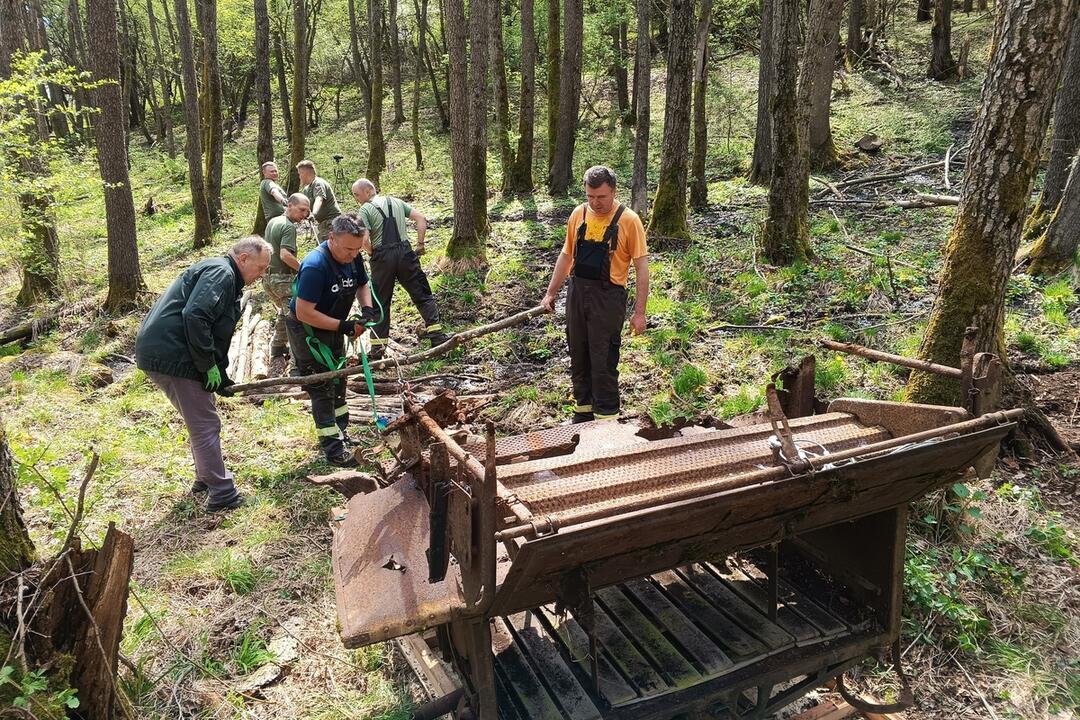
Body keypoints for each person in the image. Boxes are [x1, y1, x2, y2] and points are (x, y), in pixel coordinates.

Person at [135, 237, 273, 511]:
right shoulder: (221, 273)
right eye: (261, 267)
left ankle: (204, 478)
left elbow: (212, 328)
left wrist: (218, 372)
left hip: (166, 351)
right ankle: (222, 493)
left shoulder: (223, 274)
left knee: (200, 417)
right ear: (243, 258)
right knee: (205, 423)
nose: (262, 275)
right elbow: (196, 315)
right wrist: (207, 363)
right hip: (173, 352)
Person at [540, 166, 649, 423]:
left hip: (608, 298)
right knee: (578, 353)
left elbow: (642, 268)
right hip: (577, 294)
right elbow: (567, 255)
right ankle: (583, 410)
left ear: (613, 191)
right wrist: (551, 293)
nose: (595, 203)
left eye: (601, 197)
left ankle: (607, 416)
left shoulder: (629, 220)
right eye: (590, 196)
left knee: (603, 359)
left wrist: (640, 313)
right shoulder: (579, 214)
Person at [287, 213, 377, 467]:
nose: (352, 254)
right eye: (348, 249)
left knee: (338, 378)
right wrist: (343, 326)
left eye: (357, 249)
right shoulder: (315, 265)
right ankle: (332, 447)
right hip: (308, 330)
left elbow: (362, 283)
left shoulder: (354, 255)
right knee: (322, 383)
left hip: (334, 325)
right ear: (331, 239)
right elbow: (305, 311)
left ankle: (340, 430)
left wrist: (367, 308)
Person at [351, 178, 449, 358]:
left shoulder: (365, 209)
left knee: (380, 301)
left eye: (357, 194)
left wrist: (373, 253)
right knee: (421, 293)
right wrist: (420, 244)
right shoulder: (396, 202)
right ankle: (437, 336)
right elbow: (421, 218)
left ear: (367, 191)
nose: (356, 199)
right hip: (405, 253)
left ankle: (378, 349)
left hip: (382, 257)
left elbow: (364, 240)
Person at [263, 193, 311, 362]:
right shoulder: (288, 226)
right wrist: (305, 270)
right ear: (289, 206)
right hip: (282, 280)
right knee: (295, 317)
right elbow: (285, 255)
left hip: (268, 279)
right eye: (302, 210)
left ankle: (277, 346)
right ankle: (297, 359)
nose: (304, 215)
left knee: (285, 313)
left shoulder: (273, 221)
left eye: (307, 211)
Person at [297, 159, 342, 242]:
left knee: (326, 248)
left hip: (331, 222)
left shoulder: (318, 183)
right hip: (323, 223)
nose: (299, 177)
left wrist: (313, 214)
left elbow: (319, 199)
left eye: (300, 174)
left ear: (305, 173)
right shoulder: (307, 189)